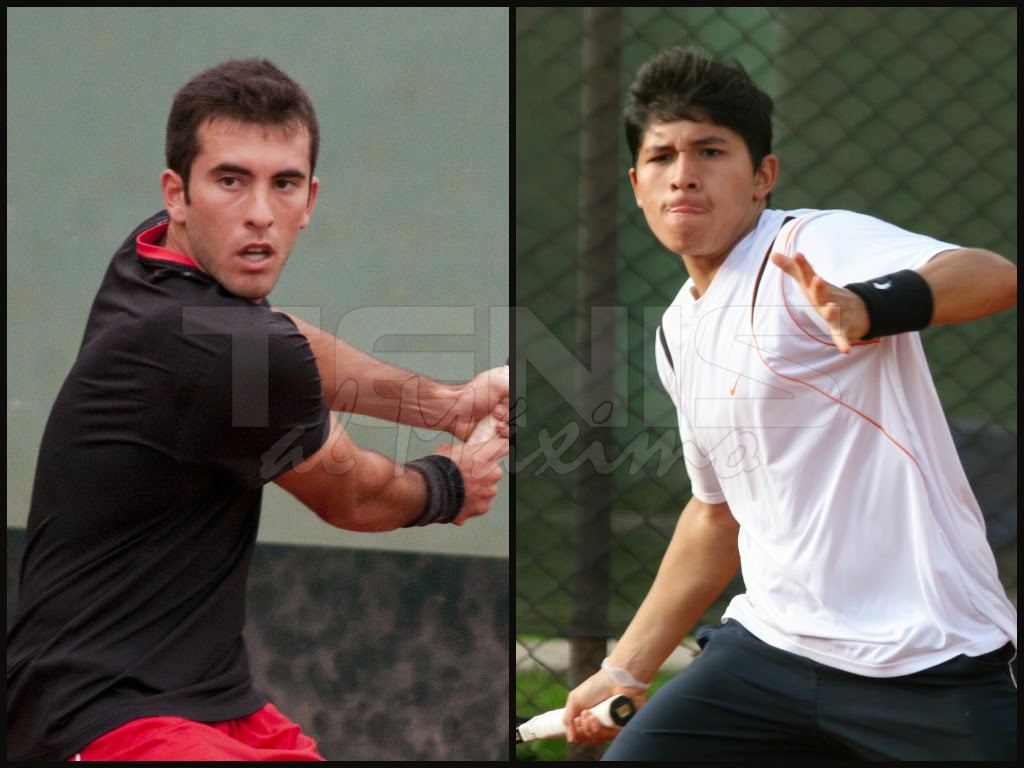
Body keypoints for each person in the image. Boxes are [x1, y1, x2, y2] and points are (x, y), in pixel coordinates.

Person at [6, 58, 509, 762]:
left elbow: (280, 339)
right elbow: (355, 497)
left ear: (311, 199)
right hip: (100, 720)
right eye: (231, 180)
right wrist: (451, 483)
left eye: (284, 183)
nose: (260, 213)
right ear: (177, 193)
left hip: (213, 702)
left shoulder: (153, 261)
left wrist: (445, 405)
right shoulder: (219, 345)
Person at [561, 46, 1017, 761]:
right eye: (662, 157)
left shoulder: (809, 245)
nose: (683, 174)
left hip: (928, 657)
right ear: (637, 184)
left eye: (711, 151)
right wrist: (626, 668)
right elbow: (717, 514)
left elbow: (990, 274)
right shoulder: (677, 331)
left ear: (763, 177)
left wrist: (868, 307)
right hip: (769, 652)